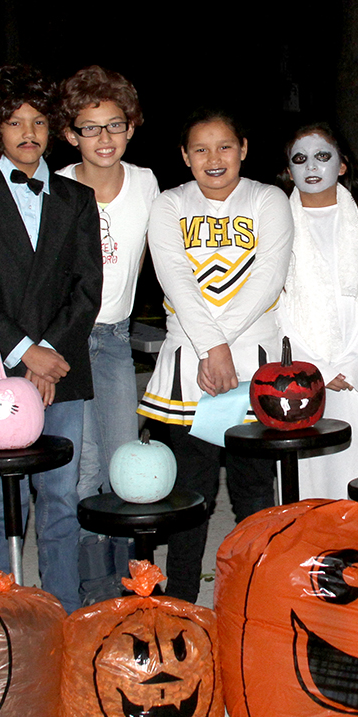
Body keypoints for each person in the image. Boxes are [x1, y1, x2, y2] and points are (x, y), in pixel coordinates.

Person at [0, 65, 102, 613]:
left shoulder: (77, 199)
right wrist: (23, 351)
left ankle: (62, 612)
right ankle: (3, 614)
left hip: (61, 368)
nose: (28, 132)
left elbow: (87, 288)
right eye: (15, 122)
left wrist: (49, 355)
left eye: (38, 121)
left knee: (59, 495)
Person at [138, 108, 290, 603]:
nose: (214, 158)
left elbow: (268, 276)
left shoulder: (269, 199)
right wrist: (213, 348)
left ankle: (256, 599)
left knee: (254, 494)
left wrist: (219, 347)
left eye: (224, 146)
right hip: (189, 370)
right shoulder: (168, 204)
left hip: (254, 367)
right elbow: (175, 278)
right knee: (191, 498)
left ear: (244, 148)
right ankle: (181, 602)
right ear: (184, 156)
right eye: (200, 149)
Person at [55, 66, 160, 603]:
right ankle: (91, 586)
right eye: (90, 128)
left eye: (115, 125)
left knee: (123, 459)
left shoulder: (144, 182)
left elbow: (158, 257)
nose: (104, 138)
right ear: (71, 134)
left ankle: (131, 576)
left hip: (115, 339)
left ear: (132, 127)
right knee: (82, 466)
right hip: (68, 341)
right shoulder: (57, 186)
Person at [278, 122, 358, 498]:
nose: (311, 166)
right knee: (311, 484)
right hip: (302, 378)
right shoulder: (275, 226)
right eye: (300, 159)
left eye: (322, 156)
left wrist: (353, 366)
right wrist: (317, 370)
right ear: (289, 170)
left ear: (342, 165)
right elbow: (274, 307)